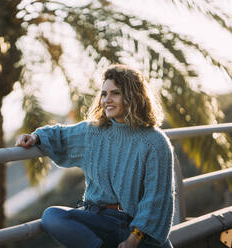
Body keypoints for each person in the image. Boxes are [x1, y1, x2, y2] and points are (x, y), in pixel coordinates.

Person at [15, 64, 174, 248]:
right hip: (98, 220)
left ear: (132, 97)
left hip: (136, 230)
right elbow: (59, 135)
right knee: (52, 216)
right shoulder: (94, 132)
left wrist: (132, 240)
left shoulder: (154, 142)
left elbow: (155, 200)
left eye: (115, 93)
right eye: (104, 94)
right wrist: (35, 137)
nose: (107, 100)